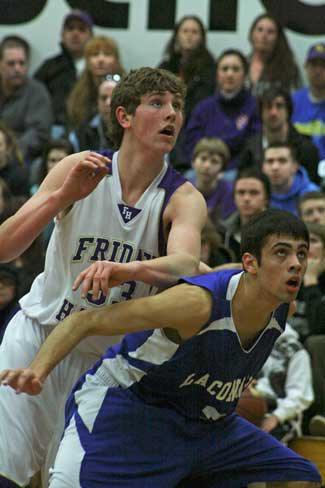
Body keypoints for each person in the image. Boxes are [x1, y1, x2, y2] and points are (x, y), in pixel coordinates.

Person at [0, 209, 322, 487]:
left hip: (206, 424)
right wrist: (36, 370)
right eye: (282, 253)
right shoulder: (195, 305)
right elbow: (84, 321)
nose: (296, 264)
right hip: (130, 406)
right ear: (251, 263)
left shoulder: (283, 308)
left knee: (301, 475)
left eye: (302, 254)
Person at [0, 67, 207, 488]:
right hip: (38, 333)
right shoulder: (80, 169)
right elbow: (5, 248)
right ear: (124, 116)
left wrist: (124, 270)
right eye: (157, 103)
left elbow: (185, 264)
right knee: (6, 468)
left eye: (177, 106)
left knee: (71, 481)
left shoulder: (182, 197)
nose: (172, 114)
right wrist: (61, 198)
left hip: (104, 364)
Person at [184, 49, 260, 175]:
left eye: (236, 69)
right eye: (224, 69)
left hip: (238, 170)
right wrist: (208, 164)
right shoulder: (203, 108)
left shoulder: (254, 107)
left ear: (245, 74)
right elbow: (191, 143)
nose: (230, 74)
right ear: (217, 74)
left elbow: (252, 147)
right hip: (203, 169)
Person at [239, 87, 320, 184]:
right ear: (261, 113)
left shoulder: (307, 149)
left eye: (279, 106)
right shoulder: (249, 149)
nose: (273, 112)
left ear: (288, 111)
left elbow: (313, 188)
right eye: (268, 107)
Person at [250, 322, 314, 444]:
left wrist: (277, 417)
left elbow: (299, 396)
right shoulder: (247, 343)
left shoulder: (297, 353)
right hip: (246, 406)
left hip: (278, 415)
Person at [34, 9, 93, 136]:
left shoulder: (97, 67)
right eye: (70, 29)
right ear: (62, 34)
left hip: (89, 133)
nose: (75, 34)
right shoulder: (49, 67)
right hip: (52, 131)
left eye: (81, 29)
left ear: (90, 36)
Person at [0, 35, 53, 162]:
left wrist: (10, 150)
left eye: (21, 63)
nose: (17, 68)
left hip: (22, 158)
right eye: (11, 63)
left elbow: (39, 132)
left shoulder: (37, 92)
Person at [67, 35, 125, 130]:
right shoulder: (78, 94)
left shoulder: (127, 89)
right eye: (95, 54)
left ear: (116, 60)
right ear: (87, 61)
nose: (101, 59)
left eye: (107, 54)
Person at [219, 167, 271, 261]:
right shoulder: (223, 232)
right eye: (241, 192)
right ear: (234, 197)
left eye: (254, 193)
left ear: (266, 198)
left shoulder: (279, 232)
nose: (246, 198)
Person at [248, 13, 301, 97]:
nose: (264, 35)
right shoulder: (241, 63)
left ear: (278, 38)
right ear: (252, 34)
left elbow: (296, 100)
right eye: (260, 30)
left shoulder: (288, 68)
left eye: (270, 32)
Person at [186, 137, 236, 222]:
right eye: (203, 158)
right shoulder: (182, 189)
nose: (207, 166)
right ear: (193, 162)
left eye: (214, 161)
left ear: (222, 169)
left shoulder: (229, 192)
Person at [262, 142, 319, 215]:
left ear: (295, 166)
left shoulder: (312, 193)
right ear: (263, 167)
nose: (275, 167)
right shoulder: (256, 194)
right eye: (270, 161)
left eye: (282, 161)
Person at [292, 42, 325, 162]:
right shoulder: (292, 101)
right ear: (305, 67)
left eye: (323, 66)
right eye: (314, 65)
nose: (318, 71)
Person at [69, 76, 118, 152]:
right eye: (103, 98)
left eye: (114, 97)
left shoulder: (133, 131)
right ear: (97, 102)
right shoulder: (81, 133)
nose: (108, 103)